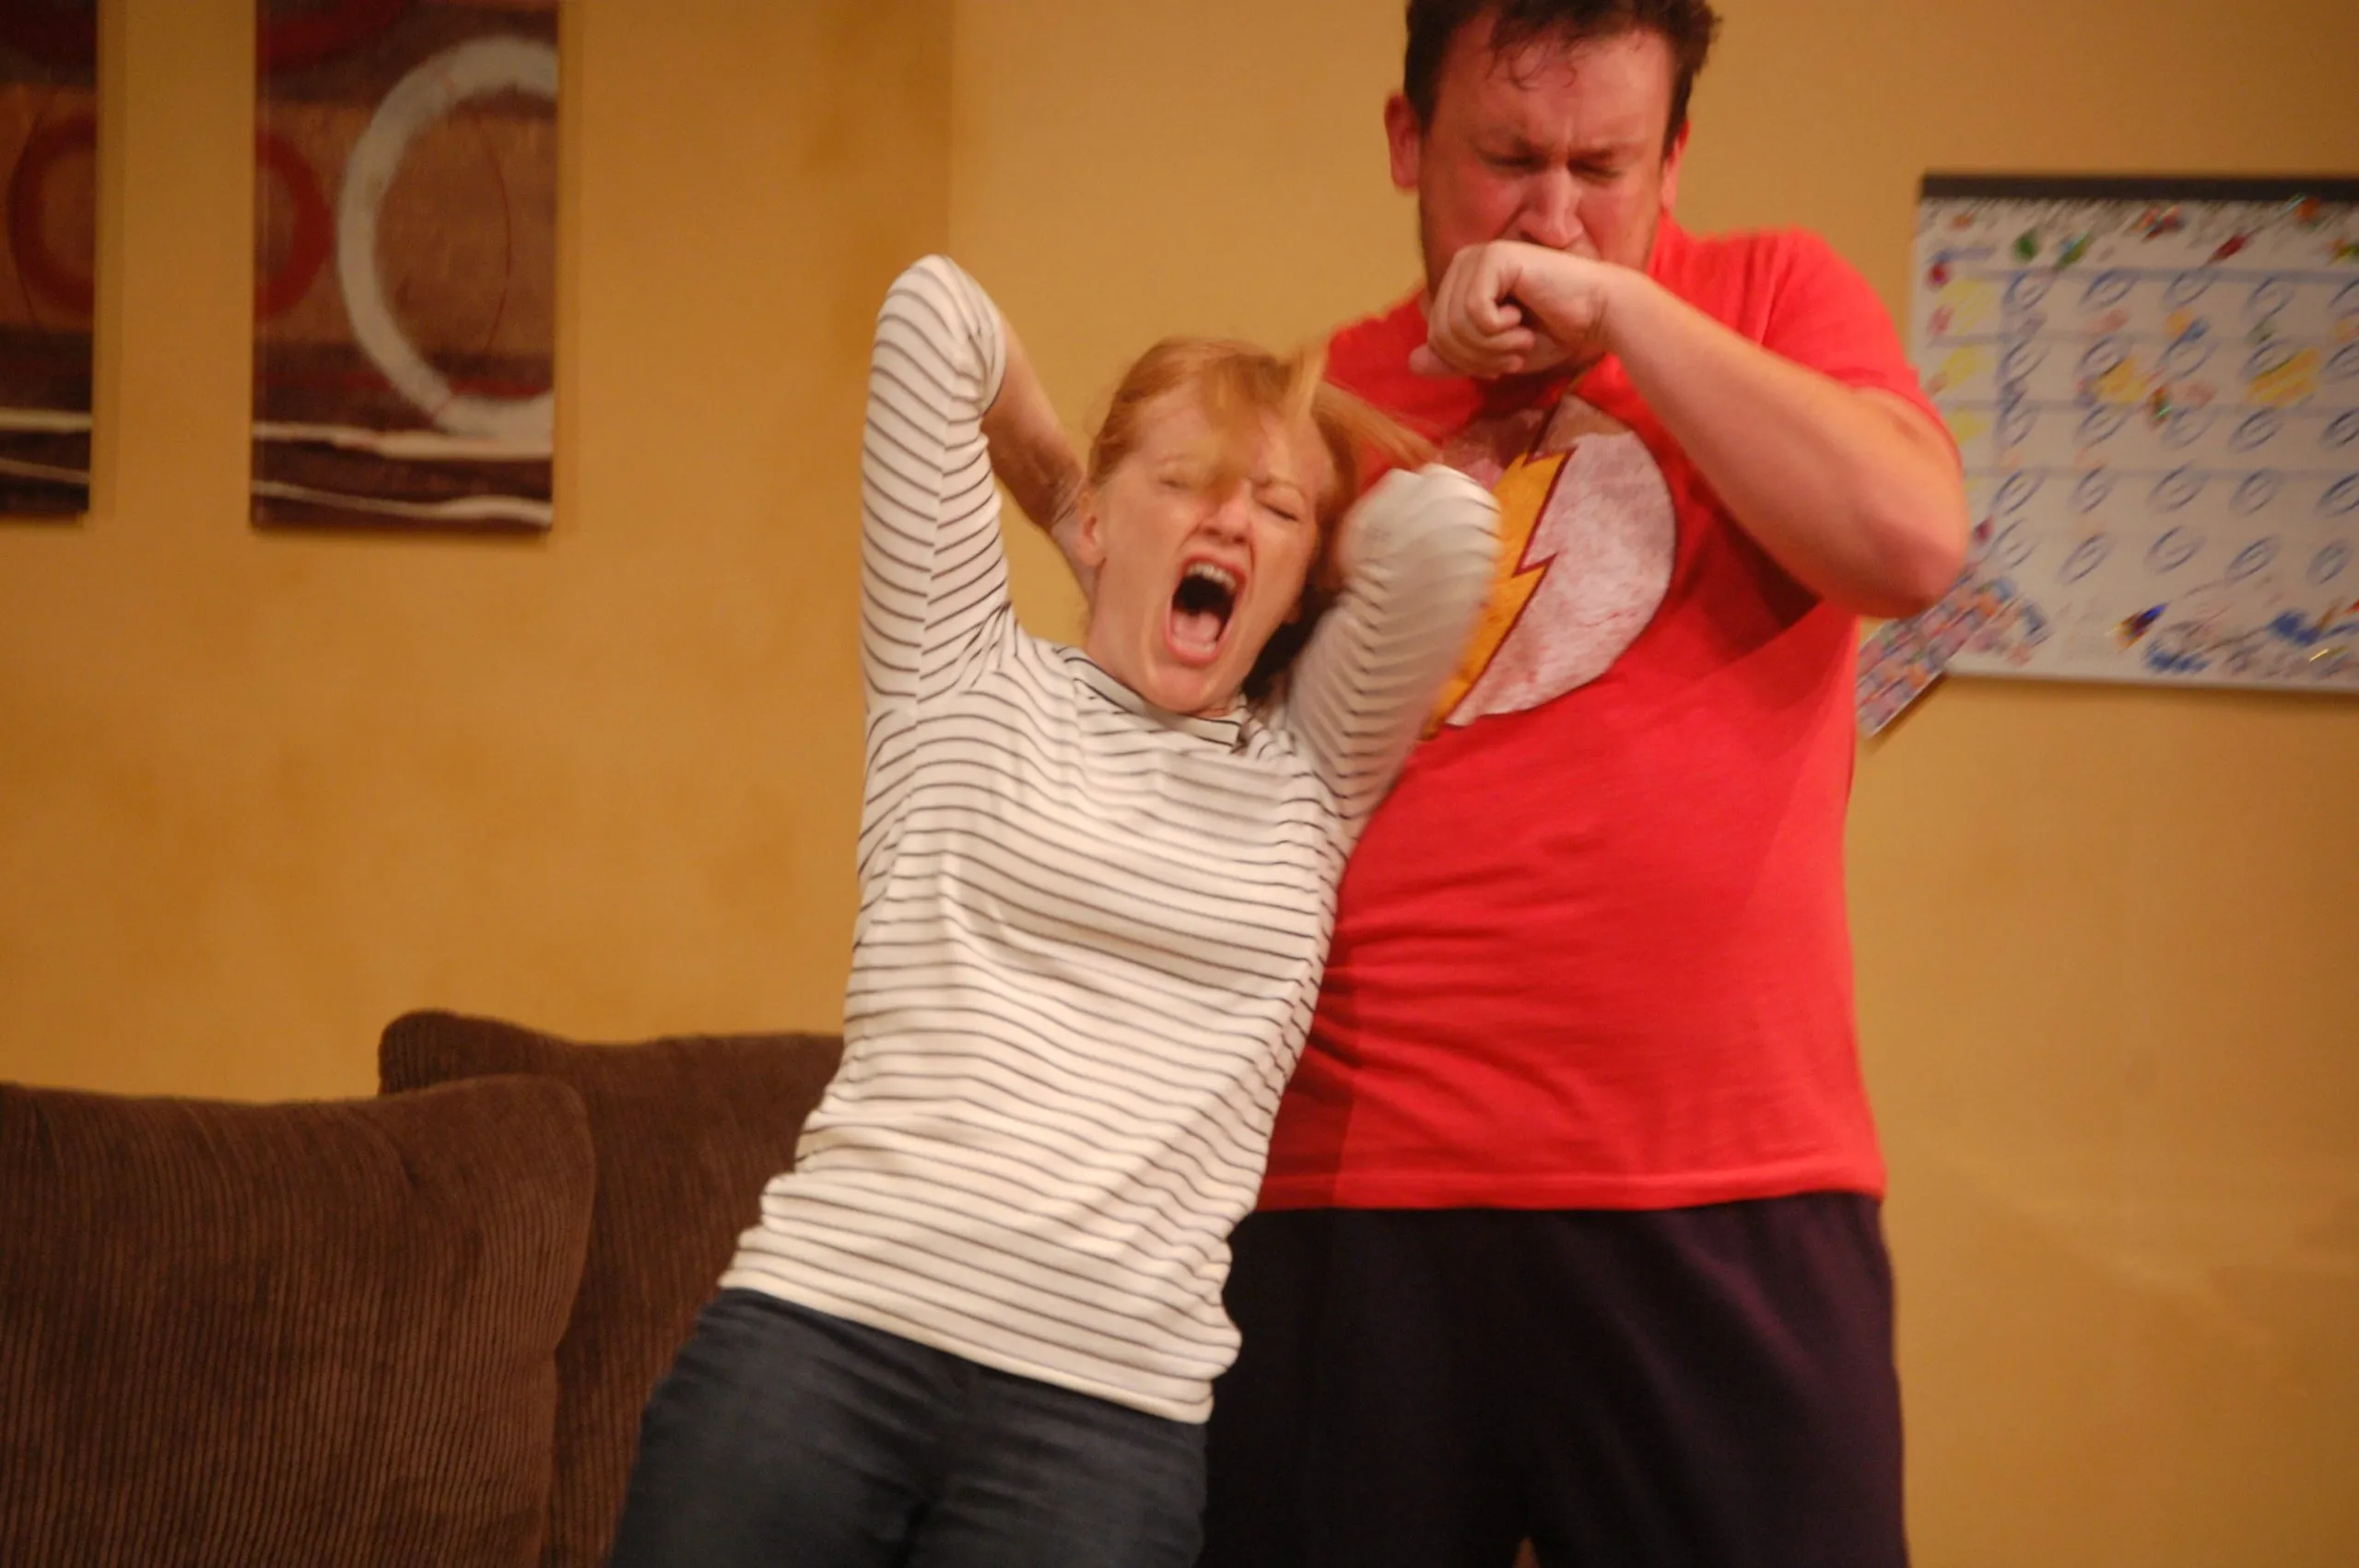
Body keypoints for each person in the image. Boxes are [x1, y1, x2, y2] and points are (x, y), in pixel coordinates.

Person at [1201, 4, 1971, 1567]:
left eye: (1604, 167)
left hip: (1726, 1179)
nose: (1551, 218)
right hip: (1356, 1187)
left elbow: (1910, 543)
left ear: (1675, 154)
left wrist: (1624, 311)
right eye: (1506, 159)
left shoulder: (1767, 301)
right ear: (1408, 141)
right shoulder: (1316, 407)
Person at [604, 255, 1496, 1568]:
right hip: (823, 1341)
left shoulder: (1312, 770)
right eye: (1184, 481)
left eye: (1274, 509)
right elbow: (931, 314)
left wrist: (1304, 514)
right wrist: (1081, 492)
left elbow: (1453, 536)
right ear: (1094, 518)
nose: (1230, 522)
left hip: (1102, 1425)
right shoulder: (955, 666)